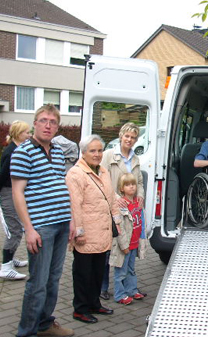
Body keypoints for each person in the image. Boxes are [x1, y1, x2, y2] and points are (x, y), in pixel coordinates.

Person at [11, 104, 74, 337]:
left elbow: (61, 186)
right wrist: (29, 229)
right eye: (43, 120)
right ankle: (26, 332)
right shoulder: (23, 152)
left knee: (53, 279)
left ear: (57, 126)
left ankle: (45, 324)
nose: (48, 125)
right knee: (37, 283)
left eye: (53, 122)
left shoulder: (57, 151)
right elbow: (18, 192)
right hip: (41, 227)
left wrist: (71, 221)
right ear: (34, 123)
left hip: (61, 223)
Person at [66, 134, 121, 324]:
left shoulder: (103, 171)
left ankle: (94, 303)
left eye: (99, 150)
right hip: (87, 233)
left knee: (98, 272)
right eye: (93, 151)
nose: (97, 154)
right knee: (83, 274)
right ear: (83, 152)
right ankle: (80, 309)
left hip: (103, 231)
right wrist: (78, 232)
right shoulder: (76, 174)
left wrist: (117, 221)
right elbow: (75, 205)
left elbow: (111, 197)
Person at [99, 122, 146, 300]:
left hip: (131, 210)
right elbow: (102, 180)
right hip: (113, 207)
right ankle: (103, 287)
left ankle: (129, 288)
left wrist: (140, 195)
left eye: (133, 137)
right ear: (121, 136)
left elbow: (139, 182)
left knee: (129, 247)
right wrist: (116, 198)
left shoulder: (135, 158)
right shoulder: (108, 155)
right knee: (109, 249)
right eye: (127, 136)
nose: (130, 140)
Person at [0, 120, 31, 280]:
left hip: (13, 193)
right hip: (7, 194)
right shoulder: (12, 151)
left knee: (17, 229)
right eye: (27, 132)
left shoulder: (18, 149)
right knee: (13, 231)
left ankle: (11, 259)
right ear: (19, 134)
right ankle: (5, 268)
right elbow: (2, 175)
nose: (29, 135)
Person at [110, 173, 148, 305]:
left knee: (131, 269)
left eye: (133, 184)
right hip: (124, 246)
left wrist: (141, 240)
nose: (131, 187)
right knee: (120, 270)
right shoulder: (121, 206)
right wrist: (124, 245)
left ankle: (131, 290)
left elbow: (141, 223)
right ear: (121, 189)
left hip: (134, 243)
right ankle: (119, 294)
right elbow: (120, 228)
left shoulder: (138, 202)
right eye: (127, 185)